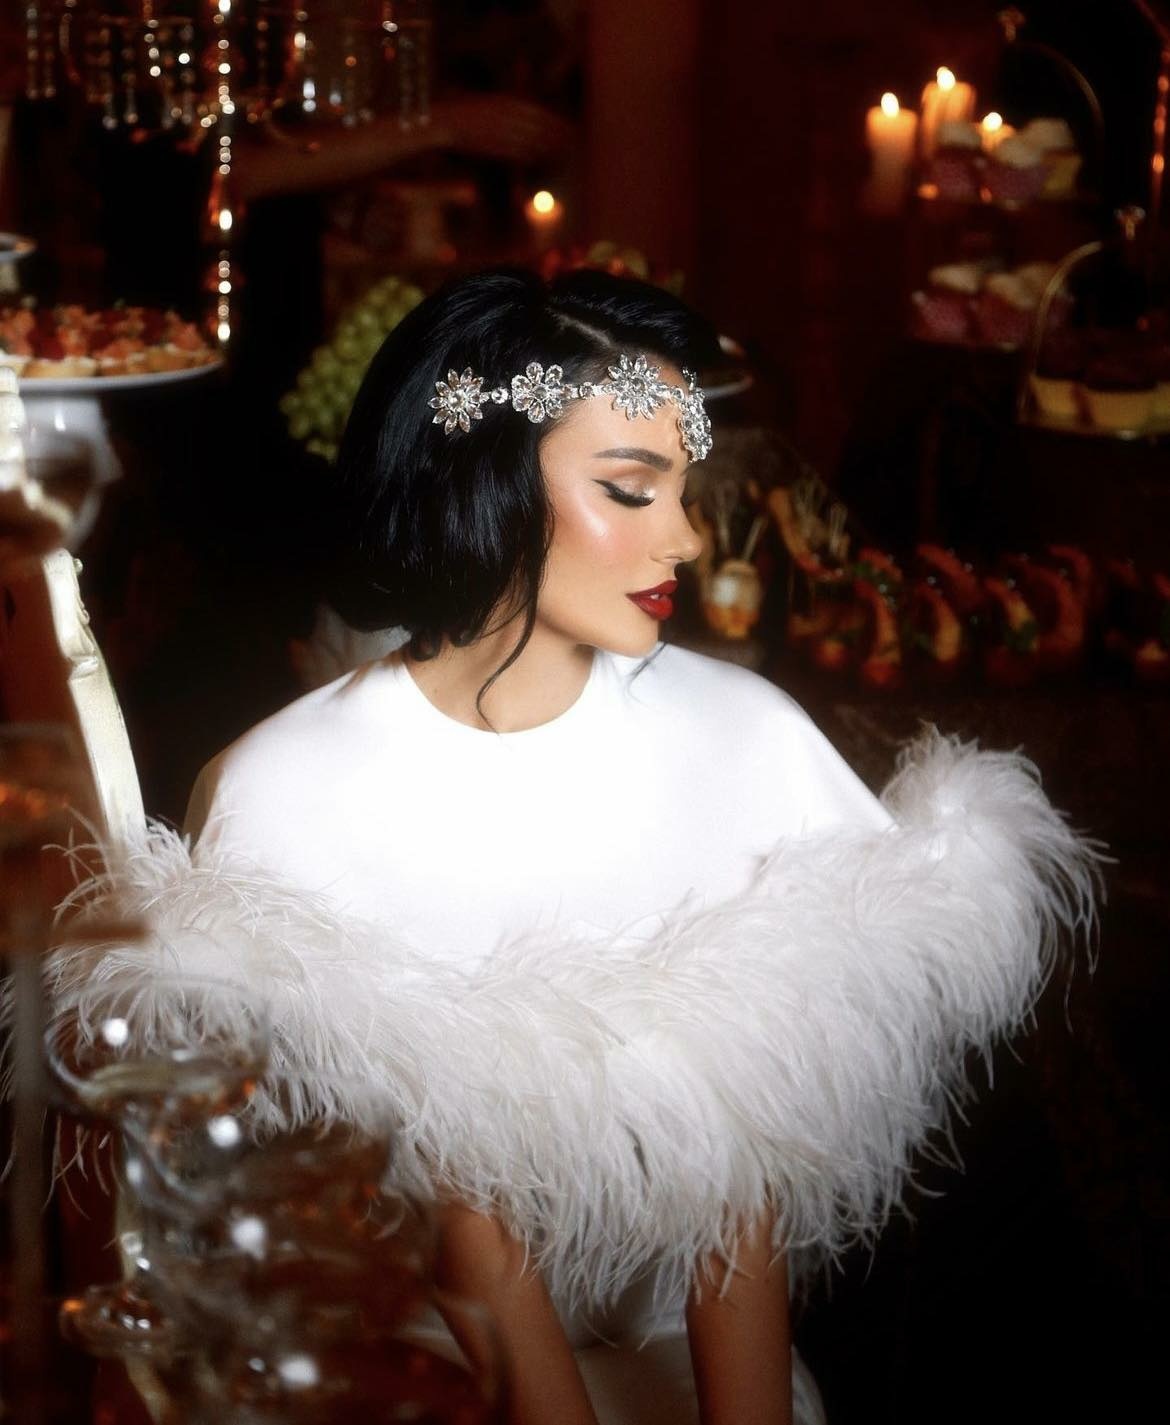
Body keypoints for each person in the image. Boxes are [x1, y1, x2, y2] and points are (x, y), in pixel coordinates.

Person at [53, 268, 1099, 1425]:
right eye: (630, 490)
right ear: (489, 479)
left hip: (700, 1363)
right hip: (418, 1370)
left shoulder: (746, 739)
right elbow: (453, 1233)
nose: (686, 538)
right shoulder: (287, 792)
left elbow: (741, 1191)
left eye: (682, 489)